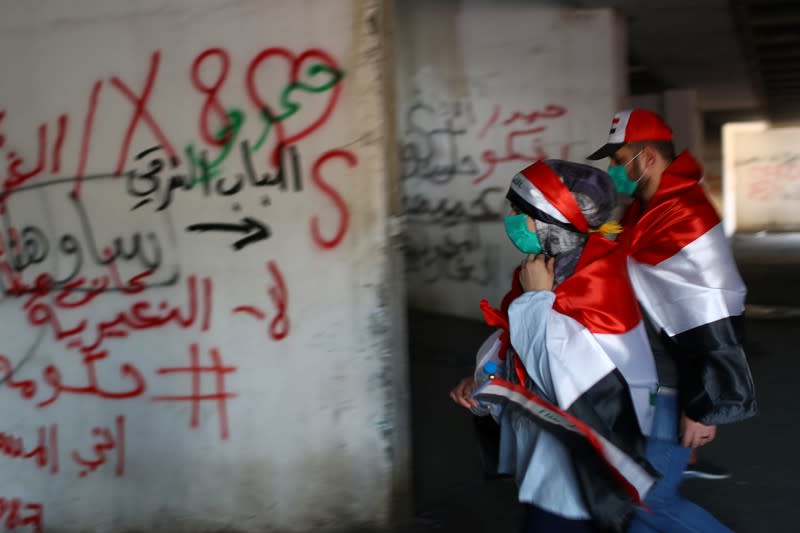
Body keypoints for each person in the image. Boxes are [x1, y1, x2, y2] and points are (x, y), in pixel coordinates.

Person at [452, 159, 660, 533]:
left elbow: (561, 376)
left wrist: (536, 300)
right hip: (556, 458)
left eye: (520, 210)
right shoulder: (552, 270)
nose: (511, 218)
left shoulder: (590, 286)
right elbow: (515, 342)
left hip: (580, 468)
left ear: (550, 219)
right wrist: (484, 382)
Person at [586, 108, 757, 532]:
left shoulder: (685, 215)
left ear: (646, 158)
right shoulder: (643, 212)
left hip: (671, 384)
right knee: (636, 504)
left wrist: (707, 403)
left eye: (617, 158)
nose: (613, 169)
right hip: (642, 375)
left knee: (647, 502)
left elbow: (715, 312)